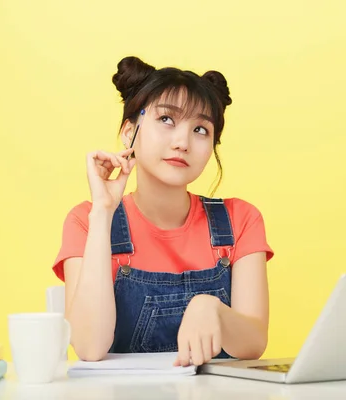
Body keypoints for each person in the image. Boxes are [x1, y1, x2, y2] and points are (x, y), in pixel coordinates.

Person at [51, 56, 274, 367]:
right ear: (129, 132)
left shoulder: (241, 219)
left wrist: (213, 309)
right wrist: (103, 212)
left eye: (200, 129)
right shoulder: (85, 221)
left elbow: (253, 343)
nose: (182, 142)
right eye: (166, 119)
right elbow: (89, 347)